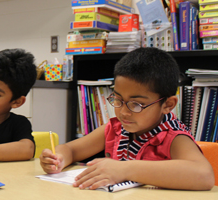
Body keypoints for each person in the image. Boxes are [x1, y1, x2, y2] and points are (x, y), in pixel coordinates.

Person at [40, 47, 215, 191]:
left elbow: (204, 176)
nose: (123, 112)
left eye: (136, 104)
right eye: (117, 100)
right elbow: (71, 149)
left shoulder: (173, 137)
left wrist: (125, 168)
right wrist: (59, 158)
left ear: (168, 104)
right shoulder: (115, 129)